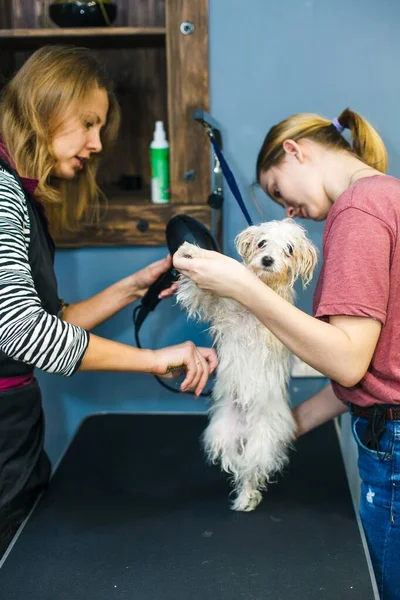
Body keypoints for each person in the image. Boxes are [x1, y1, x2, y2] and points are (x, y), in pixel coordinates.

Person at [173, 107, 400, 599]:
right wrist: (283, 427)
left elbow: (347, 361)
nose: (288, 209)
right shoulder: (390, 195)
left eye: (278, 190)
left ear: (296, 152)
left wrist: (242, 286)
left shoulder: (358, 211)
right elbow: (382, 365)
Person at [0, 45, 217, 557]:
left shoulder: (20, 191)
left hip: (16, 423)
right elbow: (22, 332)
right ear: (44, 106)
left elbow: (47, 323)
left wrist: (133, 287)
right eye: (88, 123)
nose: (98, 144)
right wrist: (154, 359)